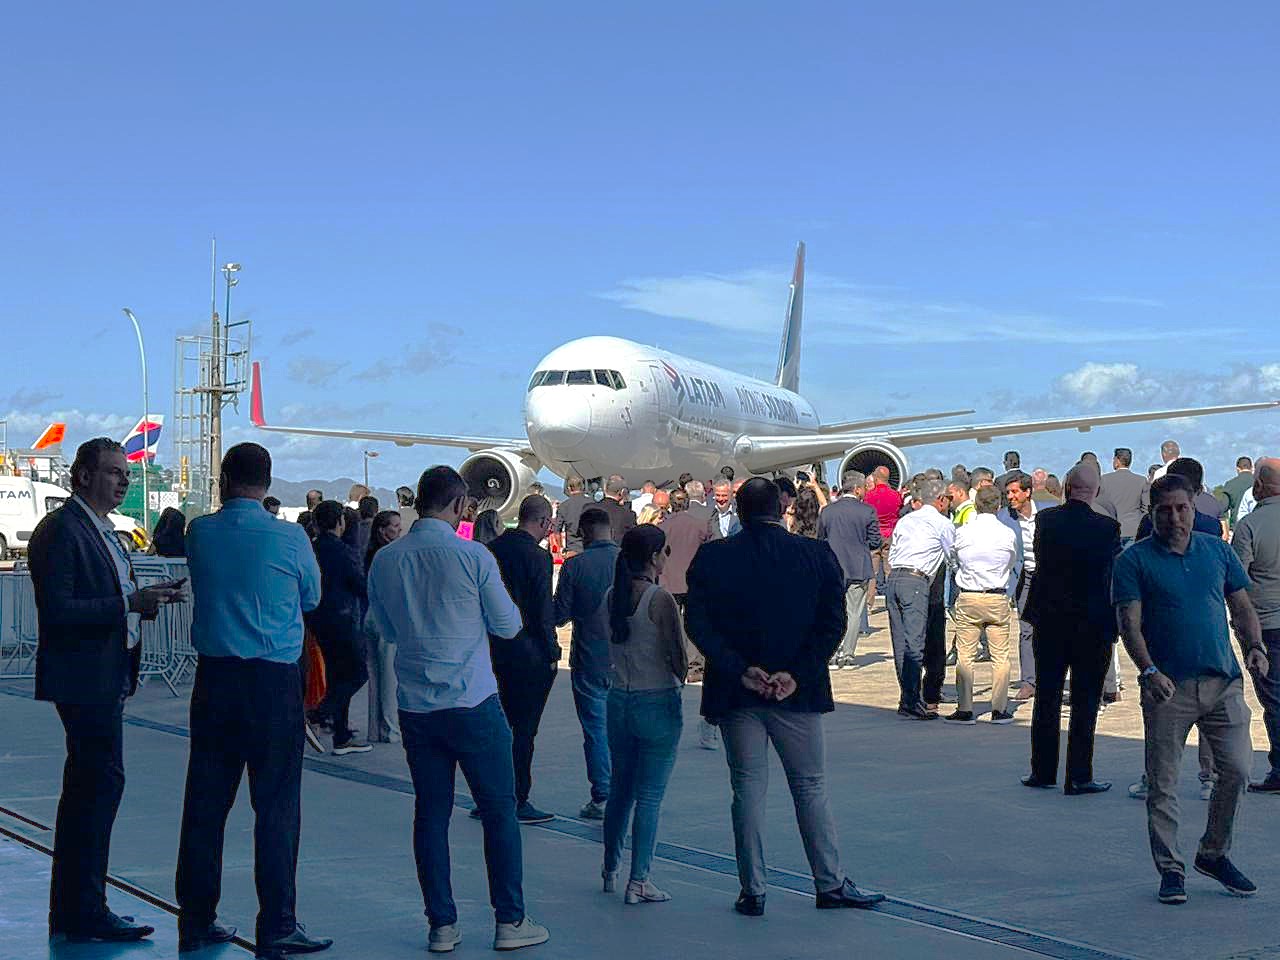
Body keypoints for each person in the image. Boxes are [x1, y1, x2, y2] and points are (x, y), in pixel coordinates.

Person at [685, 478, 885, 917]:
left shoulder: (715, 557)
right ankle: (829, 882)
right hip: (798, 691)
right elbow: (831, 624)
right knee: (810, 787)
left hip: (739, 691)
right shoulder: (814, 554)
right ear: (781, 507)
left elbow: (698, 623)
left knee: (747, 790)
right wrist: (796, 673)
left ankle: (752, 889)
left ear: (738, 509)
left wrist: (741, 669)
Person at [367, 467, 548, 952]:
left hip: (418, 707)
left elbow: (383, 629)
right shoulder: (474, 556)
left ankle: (441, 924)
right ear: (460, 504)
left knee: (431, 814)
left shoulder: (386, 560)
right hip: (473, 700)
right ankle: (510, 920)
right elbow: (509, 626)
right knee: (498, 810)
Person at [177, 442, 331, 958]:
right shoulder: (288, 539)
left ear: (223, 481)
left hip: (215, 681)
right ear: (267, 483)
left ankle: (196, 920)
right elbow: (312, 598)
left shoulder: (200, 532)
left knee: (204, 805)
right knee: (277, 807)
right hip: (272, 684)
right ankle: (278, 924)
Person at [29, 439, 183, 944]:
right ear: (82, 475)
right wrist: (128, 604)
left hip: (106, 675)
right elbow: (60, 610)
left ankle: (81, 904)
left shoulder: (107, 533)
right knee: (95, 790)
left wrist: (142, 605)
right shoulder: (62, 531)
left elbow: (111, 599)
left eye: (126, 475)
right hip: (83, 679)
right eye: (114, 473)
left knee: (95, 788)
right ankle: (82, 909)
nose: (123, 482)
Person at [1114, 473, 1268, 905]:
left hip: (1223, 682)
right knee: (1163, 783)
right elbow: (1130, 623)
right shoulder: (1134, 560)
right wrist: (1147, 670)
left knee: (1237, 770)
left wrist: (1254, 646)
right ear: (1153, 513)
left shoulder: (1216, 551)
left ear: (1193, 509)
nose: (1175, 518)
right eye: (1165, 510)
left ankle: (1214, 853)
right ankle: (1171, 868)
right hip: (1168, 687)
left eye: (1182, 509)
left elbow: (1241, 605)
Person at [1021, 464, 1120, 795]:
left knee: (1047, 697)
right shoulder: (1108, 528)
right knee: (1085, 701)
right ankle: (1079, 774)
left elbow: (1042, 563)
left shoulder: (1046, 521)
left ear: (1065, 487)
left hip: (1050, 619)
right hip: (1091, 622)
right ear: (1096, 491)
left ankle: (1042, 771)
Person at [602, 525, 687, 904]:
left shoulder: (611, 595)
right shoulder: (659, 599)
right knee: (650, 795)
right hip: (656, 699)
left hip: (618, 698)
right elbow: (679, 659)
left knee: (620, 790)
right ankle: (639, 879)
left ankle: (609, 868)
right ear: (655, 557)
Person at [485, 495, 560, 824]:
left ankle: (490, 794)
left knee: (497, 727)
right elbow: (542, 608)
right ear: (543, 523)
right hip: (528, 648)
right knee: (524, 730)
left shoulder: (491, 549)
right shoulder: (538, 557)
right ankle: (519, 797)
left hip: (493, 647)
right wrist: (552, 649)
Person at [554, 507, 619, 819]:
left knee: (595, 729)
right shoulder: (629, 562)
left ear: (582, 533)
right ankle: (626, 792)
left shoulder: (575, 567)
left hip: (589, 655)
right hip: (626, 659)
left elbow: (560, 615)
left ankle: (603, 795)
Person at [946, 486, 1018, 725]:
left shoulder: (964, 532)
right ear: (998, 506)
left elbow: (954, 559)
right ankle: (999, 708)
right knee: (1000, 656)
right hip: (997, 596)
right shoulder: (1007, 533)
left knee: (965, 654)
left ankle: (965, 708)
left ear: (976, 505)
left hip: (970, 595)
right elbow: (1011, 561)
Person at [884, 479, 953, 719]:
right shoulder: (942, 523)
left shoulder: (906, 520)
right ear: (941, 500)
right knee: (915, 643)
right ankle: (912, 699)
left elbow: (892, 551)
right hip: (916, 580)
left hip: (894, 578)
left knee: (900, 643)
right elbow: (952, 556)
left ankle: (907, 696)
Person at [306, 500, 372, 755]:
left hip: (317, 618)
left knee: (337, 673)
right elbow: (358, 584)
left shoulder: (311, 549)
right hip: (341, 618)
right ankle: (320, 713)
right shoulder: (342, 551)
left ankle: (341, 734)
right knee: (358, 672)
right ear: (340, 522)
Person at [1231, 458, 1280, 793]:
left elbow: (1235, 578)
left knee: (1274, 698)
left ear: (1258, 486)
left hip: (1264, 623)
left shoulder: (1249, 526)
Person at [657, 488, 713, 749]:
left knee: (674, 626)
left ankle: (677, 665)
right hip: (694, 581)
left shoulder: (664, 525)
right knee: (693, 626)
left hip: (669, 580)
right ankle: (694, 666)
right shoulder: (699, 524)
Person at [817, 471, 881, 667]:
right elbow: (875, 541)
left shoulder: (827, 511)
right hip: (858, 567)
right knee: (854, 612)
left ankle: (833, 650)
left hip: (833, 568)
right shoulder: (867, 511)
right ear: (858, 489)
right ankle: (848, 653)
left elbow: (821, 539)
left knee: (834, 611)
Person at [364, 510, 403, 744]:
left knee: (375, 676)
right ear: (383, 530)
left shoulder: (370, 553)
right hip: (385, 616)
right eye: (395, 526)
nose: (399, 530)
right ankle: (390, 729)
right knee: (389, 676)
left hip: (370, 615)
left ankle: (375, 728)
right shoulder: (388, 555)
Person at [1005, 472, 1040, 702]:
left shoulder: (1047, 513)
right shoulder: (1005, 518)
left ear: (1027, 492)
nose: (1010, 496)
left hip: (1048, 578)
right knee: (1026, 630)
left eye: (1015, 491)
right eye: (1008, 492)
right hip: (1024, 579)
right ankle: (1029, 681)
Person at [864, 465, 903, 608]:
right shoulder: (895, 495)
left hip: (874, 534)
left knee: (872, 571)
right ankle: (892, 600)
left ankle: (869, 602)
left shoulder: (869, 496)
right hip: (891, 534)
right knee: (890, 569)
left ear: (875, 477)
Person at [1097, 447, 1149, 544]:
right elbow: (1146, 508)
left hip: (1111, 530)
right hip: (1134, 529)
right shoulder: (1141, 480)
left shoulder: (1104, 479)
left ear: (1117, 460)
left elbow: (1099, 506)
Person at [556, 476, 591, 557]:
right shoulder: (592, 503)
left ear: (569, 488)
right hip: (589, 550)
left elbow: (557, 531)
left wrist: (561, 548)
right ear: (582, 487)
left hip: (572, 551)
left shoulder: (564, 506)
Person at [599, 477, 638, 544]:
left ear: (605, 490)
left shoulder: (590, 508)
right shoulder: (628, 515)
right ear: (622, 492)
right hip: (617, 551)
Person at [1222, 457, 1256, 528]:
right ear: (1252, 468)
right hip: (1257, 527)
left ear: (1237, 468)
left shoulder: (1230, 484)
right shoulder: (1260, 483)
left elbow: (1223, 509)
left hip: (1237, 528)